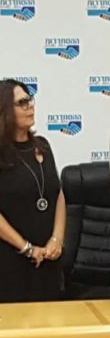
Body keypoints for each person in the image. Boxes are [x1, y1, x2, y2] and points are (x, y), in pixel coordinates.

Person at [0, 79, 65, 302]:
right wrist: (27, 248)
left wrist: (57, 239)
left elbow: (58, 195)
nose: (30, 106)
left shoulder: (43, 145)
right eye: (22, 102)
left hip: (48, 258)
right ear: (5, 111)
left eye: (29, 100)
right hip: (11, 260)